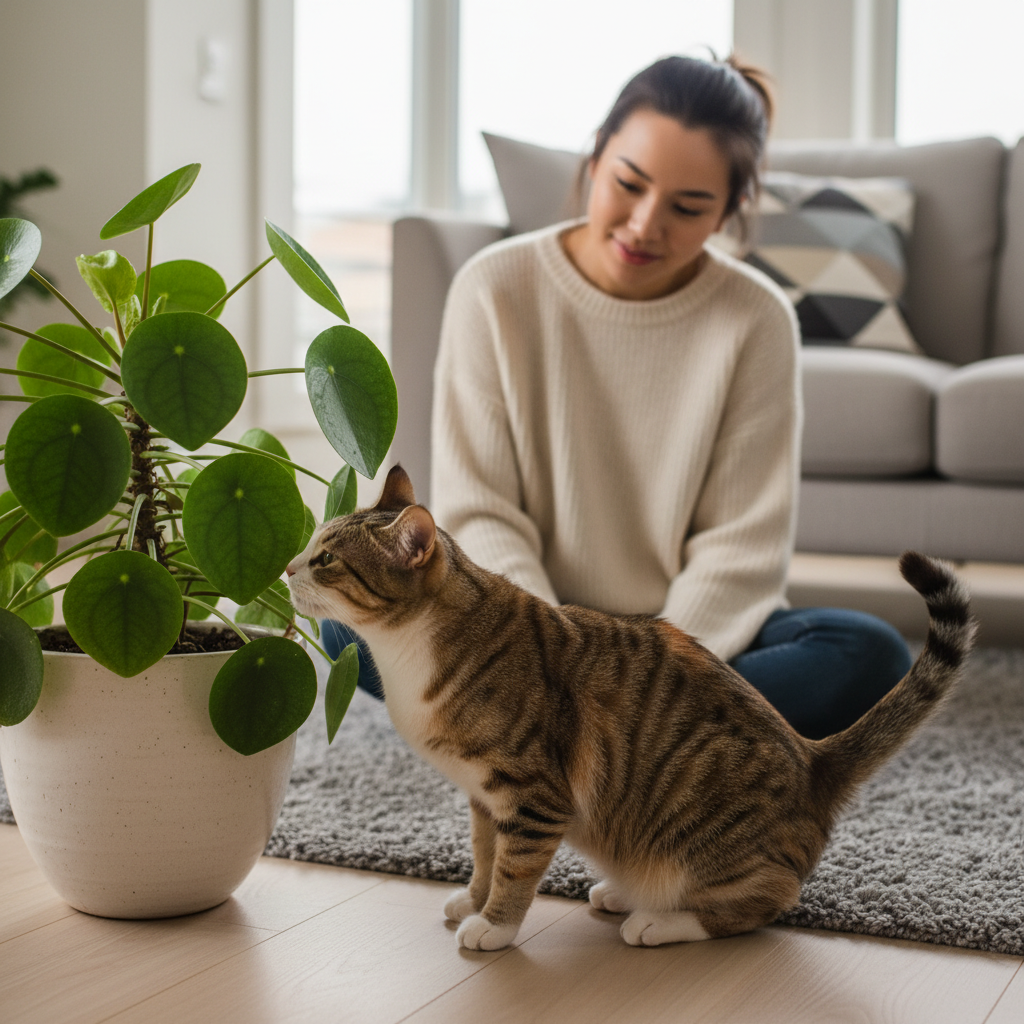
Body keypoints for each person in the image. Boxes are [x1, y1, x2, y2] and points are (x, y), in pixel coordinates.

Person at [326, 54, 911, 740]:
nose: (644, 224)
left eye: (688, 207)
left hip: (682, 645)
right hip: (521, 637)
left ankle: (557, 738)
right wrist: (545, 662)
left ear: (730, 209)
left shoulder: (757, 318)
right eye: (627, 184)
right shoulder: (494, 287)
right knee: (345, 632)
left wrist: (641, 675)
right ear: (595, 158)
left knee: (871, 656)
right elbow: (482, 510)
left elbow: (741, 547)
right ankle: (644, 745)